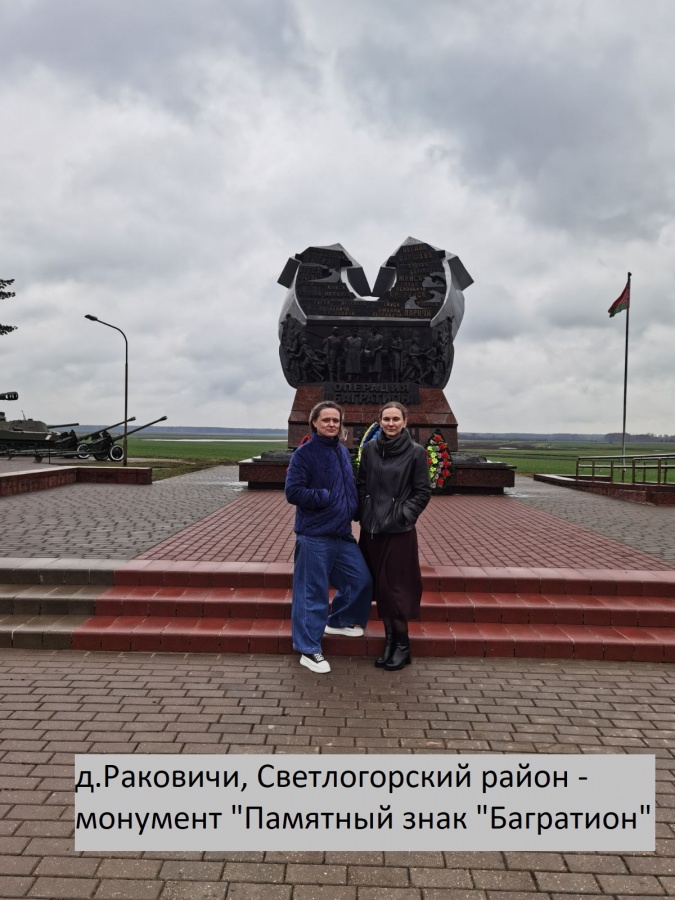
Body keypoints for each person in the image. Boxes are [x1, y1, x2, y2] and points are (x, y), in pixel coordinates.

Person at [285, 401, 373, 674]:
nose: (332, 424)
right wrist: (325, 497)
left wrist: (353, 507)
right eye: (326, 420)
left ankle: (338, 621)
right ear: (314, 422)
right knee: (312, 594)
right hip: (314, 535)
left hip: (341, 534)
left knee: (360, 581)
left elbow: (348, 486)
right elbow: (293, 492)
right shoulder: (304, 454)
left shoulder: (342, 452)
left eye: (336, 420)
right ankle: (308, 649)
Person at [357, 402, 431, 670]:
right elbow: (361, 483)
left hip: (399, 532)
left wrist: (402, 515)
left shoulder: (415, 452)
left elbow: (422, 492)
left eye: (395, 419)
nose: (390, 423)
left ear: (405, 422)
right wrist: (364, 511)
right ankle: (390, 642)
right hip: (372, 530)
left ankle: (402, 645)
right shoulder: (370, 449)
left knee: (396, 590)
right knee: (382, 589)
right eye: (386, 419)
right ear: (379, 421)